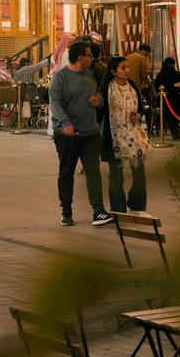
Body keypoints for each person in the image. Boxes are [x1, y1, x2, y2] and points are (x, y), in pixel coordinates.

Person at [49, 41, 114, 227]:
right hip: (68, 135)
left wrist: (99, 100)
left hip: (90, 132)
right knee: (66, 172)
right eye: (89, 55)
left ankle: (98, 211)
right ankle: (66, 212)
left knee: (93, 171)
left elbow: (98, 94)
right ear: (80, 58)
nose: (92, 58)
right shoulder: (60, 77)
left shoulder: (89, 74)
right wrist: (65, 123)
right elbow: (55, 103)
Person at [100, 57, 150, 214]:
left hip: (133, 134)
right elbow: (100, 111)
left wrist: (138, 115)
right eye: (123, 68)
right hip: (113, 136)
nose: (127, 70)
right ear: (113, 71)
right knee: (116, 175)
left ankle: (137, 205)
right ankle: (118, 209)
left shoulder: (132, 85)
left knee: (139, 173)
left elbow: (140, 108)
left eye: (128, 67)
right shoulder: (106, 88)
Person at [153, 56, 180, 131]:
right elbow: (159, 88)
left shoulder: (171, 73)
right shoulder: (162, 75)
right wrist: (174, 85)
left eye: (172, 65)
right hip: (166, 99)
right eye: (170, 65)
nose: (171, 67)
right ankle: (178, 129)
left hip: (176, 98)